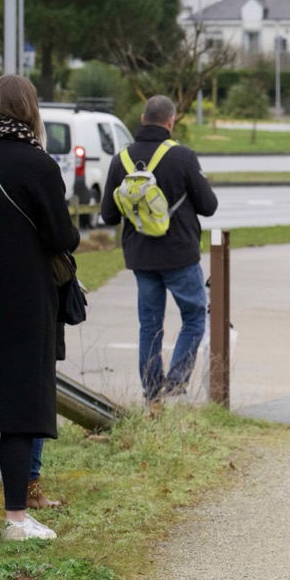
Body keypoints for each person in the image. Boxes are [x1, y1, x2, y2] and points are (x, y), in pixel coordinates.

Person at [0, 75, 78, 539]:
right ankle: (15, 519)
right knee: (18, 408)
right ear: (30, 110)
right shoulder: (38, 164)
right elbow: (61, 236)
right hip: (22, 300)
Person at [100, 95, 218, 405]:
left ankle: (152, 393)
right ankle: (176, 382)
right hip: (180, 254)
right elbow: (209, 206)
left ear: (142, 119)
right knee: (194, 316)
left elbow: (108, 215)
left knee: (149, 326)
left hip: (141, 256)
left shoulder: (121, 160)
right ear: (170, 121)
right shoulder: (183, 157)